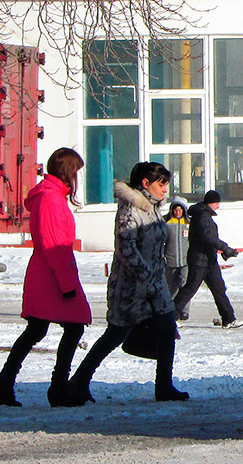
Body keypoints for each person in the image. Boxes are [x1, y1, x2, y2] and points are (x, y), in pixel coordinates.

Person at [68, 161, 188, 403]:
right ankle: (78, 382)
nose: (165, 190)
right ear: (146, 183)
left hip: (156, 286)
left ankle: (164, 386)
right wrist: (145, 275)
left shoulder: (154, 208)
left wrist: (157, 277)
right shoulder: (130, 209)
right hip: (132, 288)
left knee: (167, 329)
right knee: (114, 335)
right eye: (161, 184)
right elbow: (126, 248)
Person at [0, 148, 90, 407]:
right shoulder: (50, 199)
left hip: (48, 274)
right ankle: (56, 388)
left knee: (37, 329)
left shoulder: (51, 195)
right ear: (68, 172)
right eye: (76, 171)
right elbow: (53, 244)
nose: (78, 177)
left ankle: (5, 385)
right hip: (52, 277)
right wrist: (67, 285)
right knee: (69, 327)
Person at [172, 190, 242, 328]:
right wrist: (225, 248)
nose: (218, 206)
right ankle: (170, 318)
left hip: (209, 260)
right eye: (217, 203)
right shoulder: (202, 216)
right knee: (189, 289)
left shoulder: (203, 215)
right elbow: (207, 237)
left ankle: (229, 319)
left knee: (219, 289)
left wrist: (222, 250)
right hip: (200, 260)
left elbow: (209, 238)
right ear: (212, 202)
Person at [163, 201, 189, 298]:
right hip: (170, 261)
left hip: (185, 261)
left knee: (184, 286)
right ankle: (172, 309)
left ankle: (184, 312)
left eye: (180, 210)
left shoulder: (188, 223)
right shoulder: (167, 223)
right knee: (171, 287)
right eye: (175, 210)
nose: (178, 212)